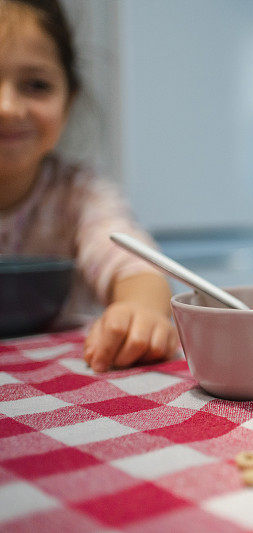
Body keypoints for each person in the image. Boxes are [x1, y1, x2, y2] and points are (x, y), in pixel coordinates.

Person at [0, 0, 177, 371]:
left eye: (36, 85)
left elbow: (137, 267)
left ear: (68, 101)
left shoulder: (80, 195)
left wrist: (140, 310)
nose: (9, 107)